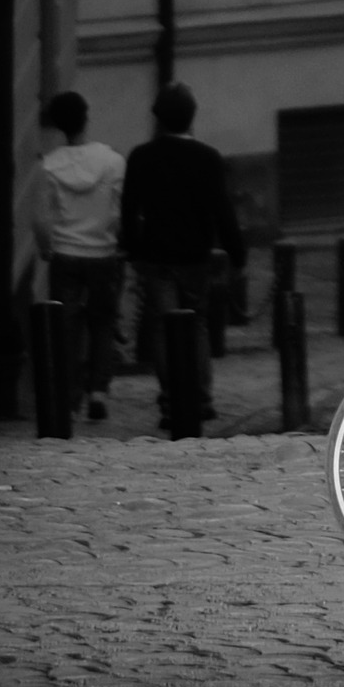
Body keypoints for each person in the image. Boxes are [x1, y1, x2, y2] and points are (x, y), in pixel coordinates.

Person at [120, 82, 245, 432]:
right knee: (197, 325)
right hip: (195, 255)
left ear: (158, 119)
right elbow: (222, 210)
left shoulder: (142, 156)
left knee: (164, 326)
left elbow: (129, 208)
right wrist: (237, 252)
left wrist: (134, 249)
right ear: (192, 117)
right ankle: (201, 399)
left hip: (157, 254)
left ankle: (171, 399)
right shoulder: (207, 157)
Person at [33, 90, 126, 421]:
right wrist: (116, 239)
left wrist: (46, 247)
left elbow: (41, 217)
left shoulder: (49, 166)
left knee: (67, 328)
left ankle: (70, 398)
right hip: (103, 252)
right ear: (86, 118)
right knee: (103, 322)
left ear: (59, 125)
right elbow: (119, 209)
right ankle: (98, 390)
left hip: (66, 252)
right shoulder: (113, 161)